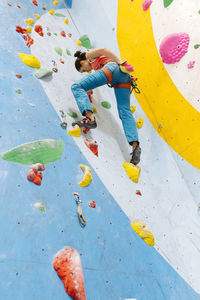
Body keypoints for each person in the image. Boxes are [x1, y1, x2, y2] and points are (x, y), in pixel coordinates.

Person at [71, 48, 141, 165]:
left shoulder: (88, 55)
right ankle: (135, 147)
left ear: (82, 62)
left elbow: (104, 50)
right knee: (125, 111)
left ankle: (90, 118)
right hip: (123, 77)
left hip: (112, 68)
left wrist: (119, 63)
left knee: (76, 87)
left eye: (83, 70)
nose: (86, 71)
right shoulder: (97, 66)